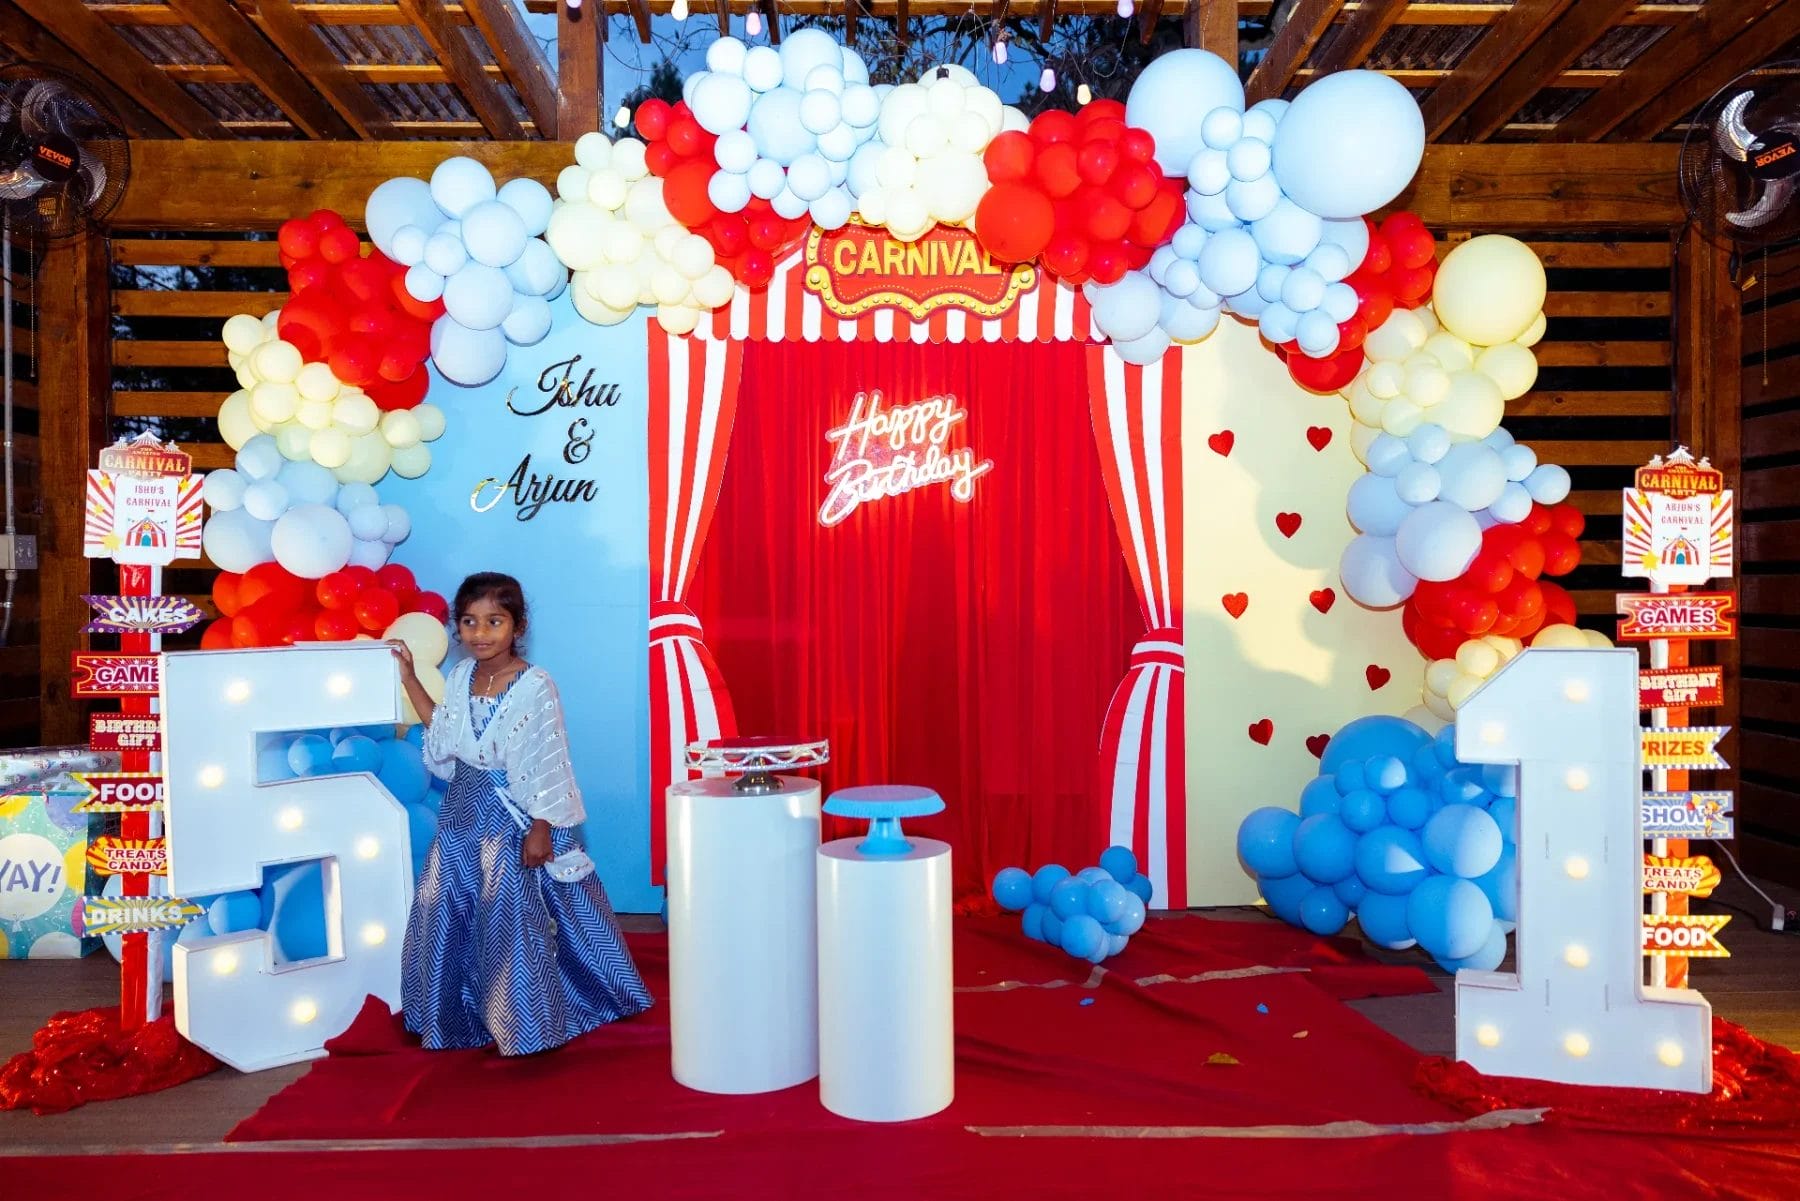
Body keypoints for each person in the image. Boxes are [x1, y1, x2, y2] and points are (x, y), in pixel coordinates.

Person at [390, 571, 651, 1055]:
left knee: (511, 915)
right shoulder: (461, 675)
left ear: (518, 626)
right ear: (457, 627)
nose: (481, 633)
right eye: (469, 622)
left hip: (513, 816)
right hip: (462, 813)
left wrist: (541, 828)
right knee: (449, 907)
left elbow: (548, 763)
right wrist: (408, 678)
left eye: (494, 621)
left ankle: (523, 1021)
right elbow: (444, 733)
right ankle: (456, 1015)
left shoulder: (534, 686)